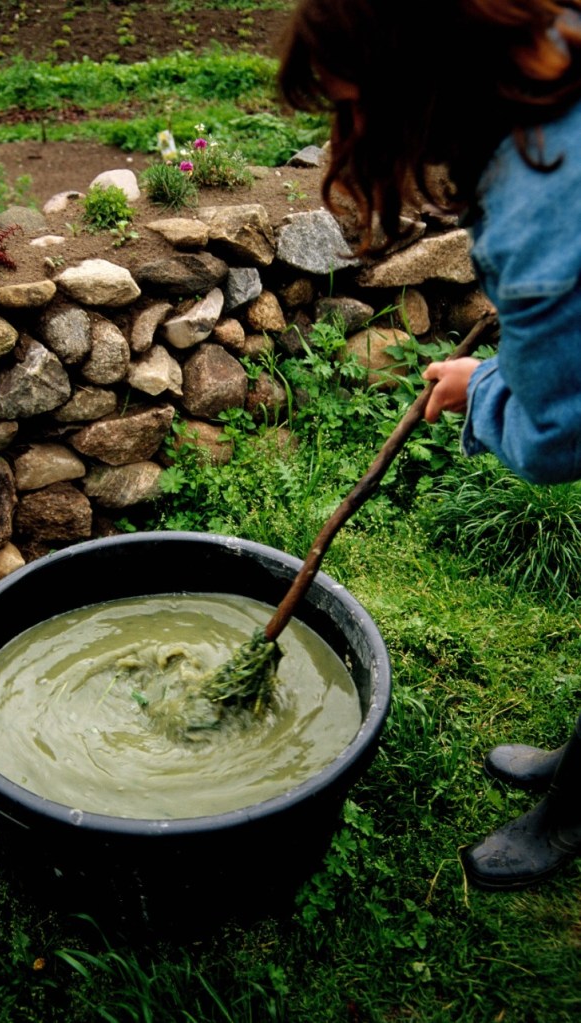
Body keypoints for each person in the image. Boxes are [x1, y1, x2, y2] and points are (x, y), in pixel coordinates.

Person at [278, 0, 581, 890]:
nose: (349, 135)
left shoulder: (543, 210)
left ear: (421, 75)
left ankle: (570, 816)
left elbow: (560, 436)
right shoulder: (559, 46)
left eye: (354, 105)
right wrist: (492, 374)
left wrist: (483, 391)